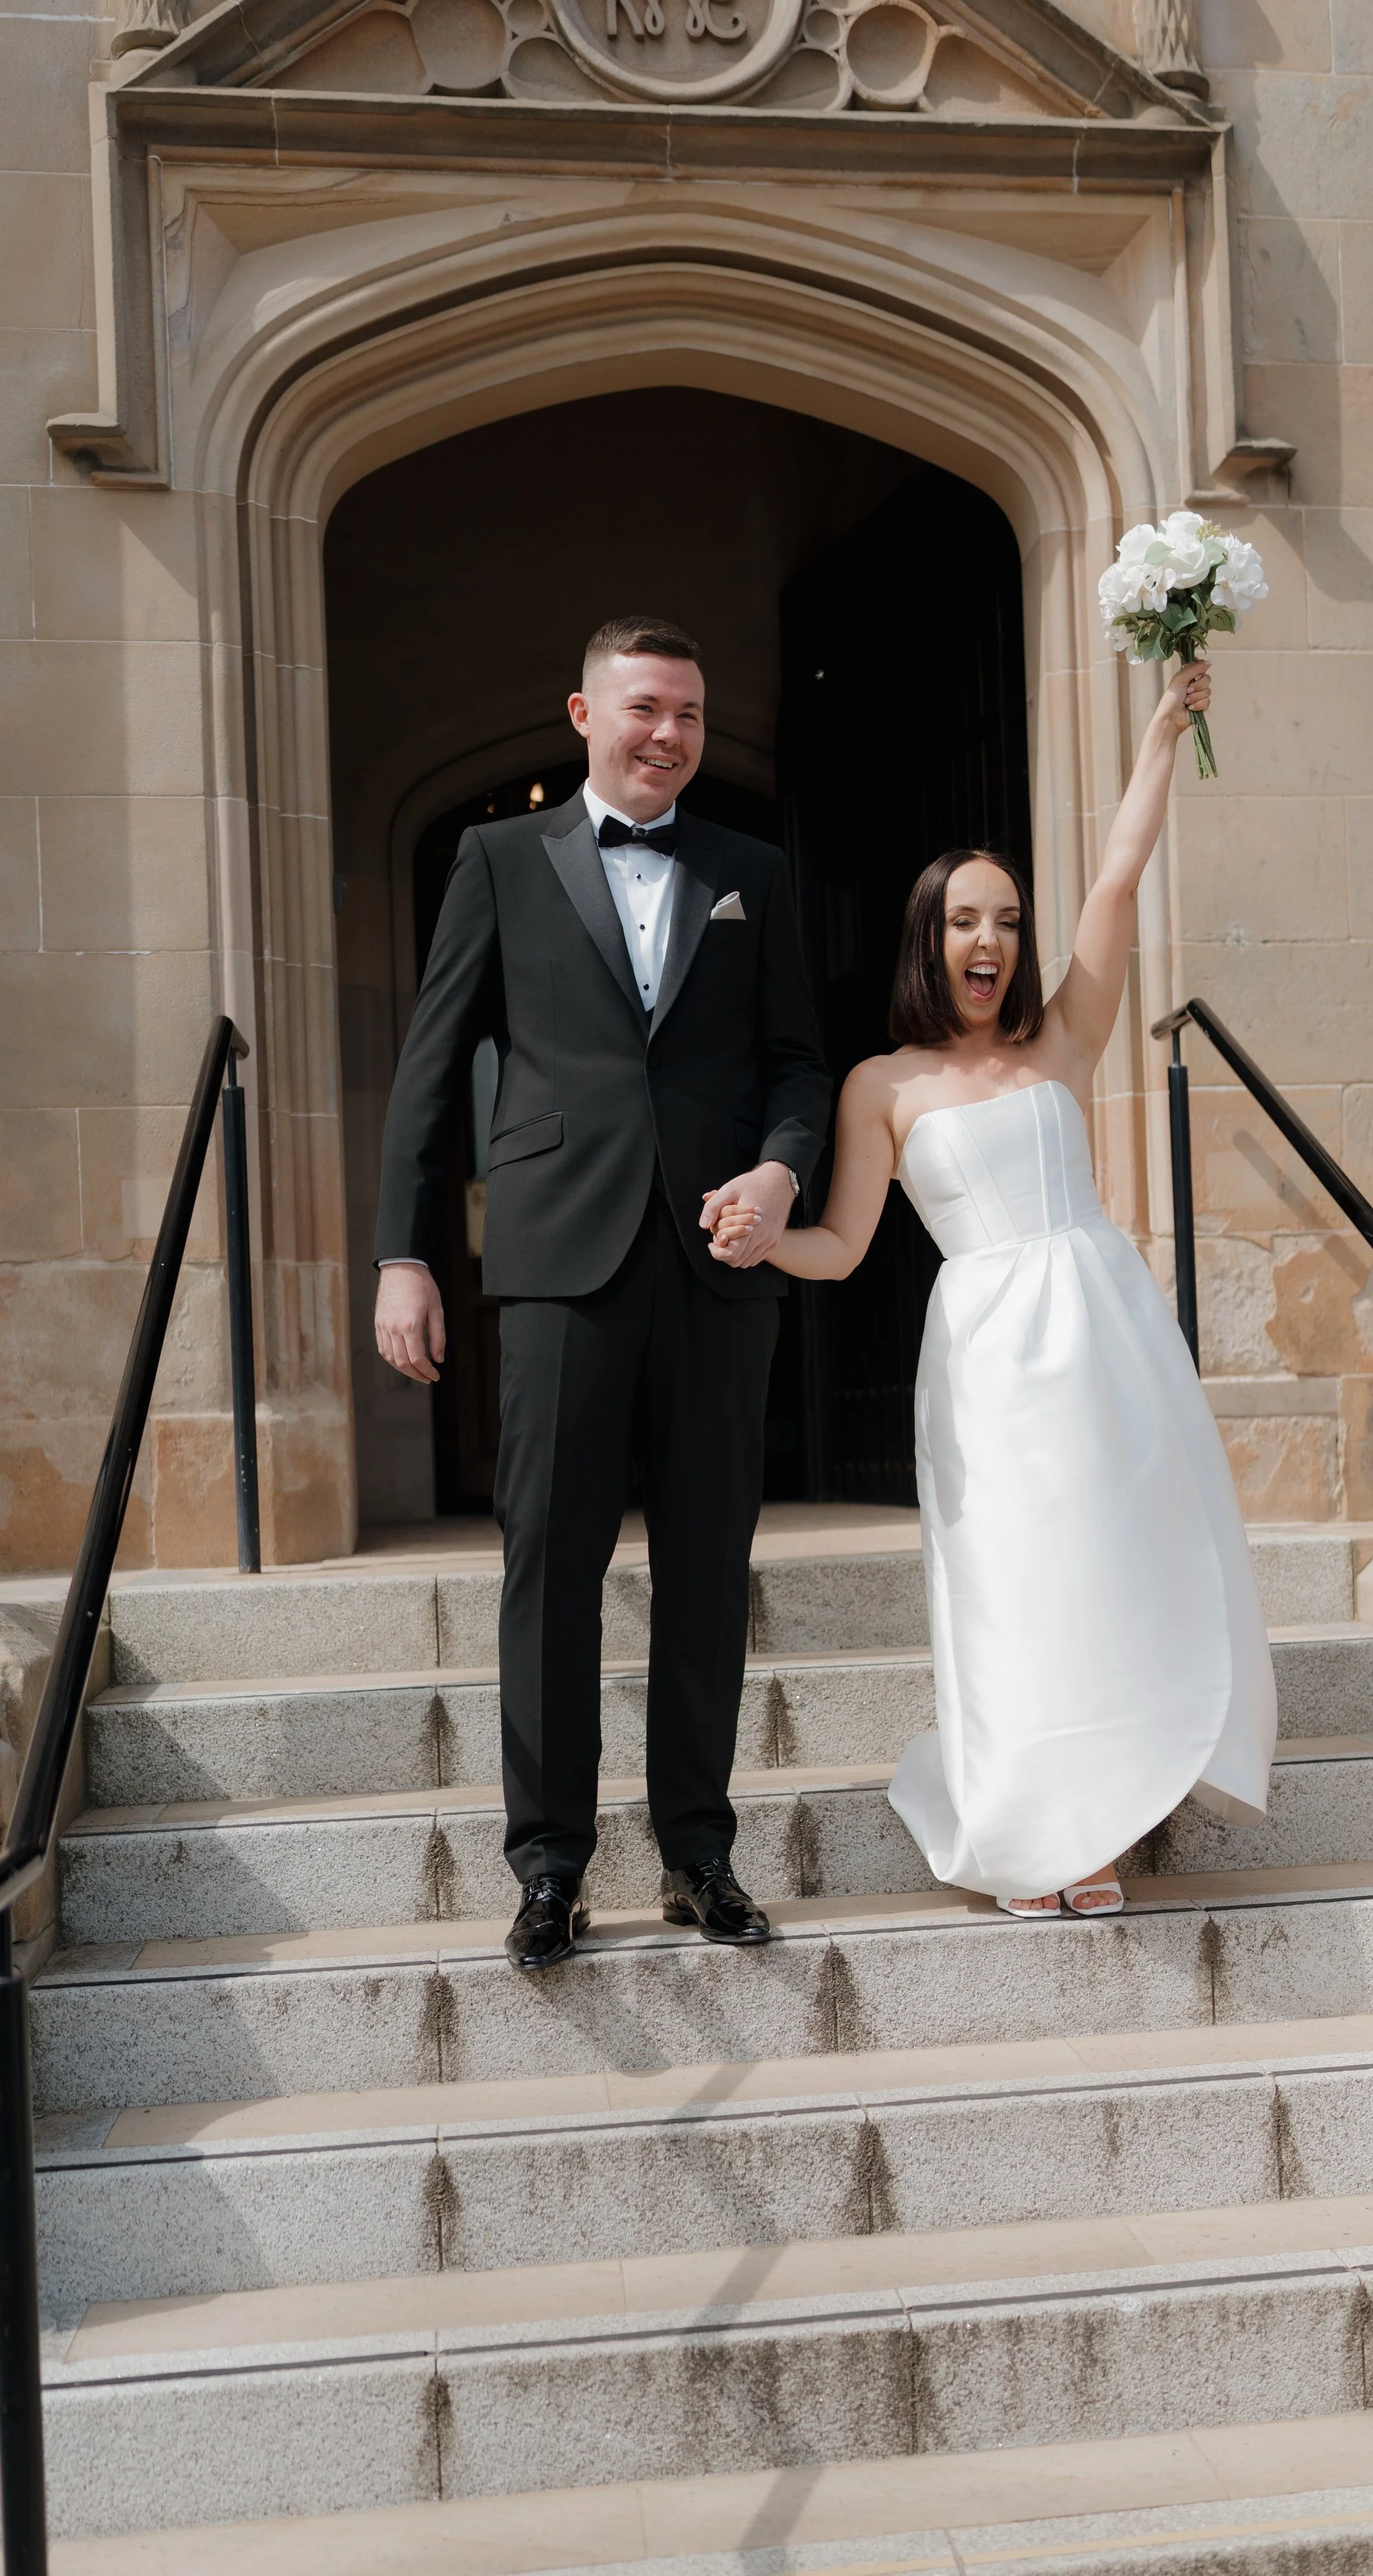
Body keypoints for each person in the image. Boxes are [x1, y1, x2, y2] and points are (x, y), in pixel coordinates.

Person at [712, 657, 1274, 1916]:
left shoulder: (1060, 1037)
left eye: (1009, 921)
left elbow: (1119, 877)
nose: (992, 941)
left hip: (1106, 1327)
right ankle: (1036, 1827)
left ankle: (1110, 1814)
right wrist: (762, 1239)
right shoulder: (883, 1085)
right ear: (929, 936)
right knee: (1021, 1581)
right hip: (986, 1352)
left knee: (1115, 1558)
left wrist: (1160, 737)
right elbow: (846, 1245)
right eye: (969, 920)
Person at [374, 615, 831, 1967]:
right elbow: (428, 1061)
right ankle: (548, 1869)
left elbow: (800, 1064)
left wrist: (778, 1174)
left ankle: (698, 1854)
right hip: (558, 1262)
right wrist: (406, 1254)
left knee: (705, 1565)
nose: (668, 734)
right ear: (583, 715)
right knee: (548, 1571)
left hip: (717, 1266)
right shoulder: (496, 860)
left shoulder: (752, 871)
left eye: (688, 713)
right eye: (643, 707)